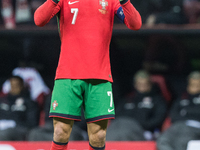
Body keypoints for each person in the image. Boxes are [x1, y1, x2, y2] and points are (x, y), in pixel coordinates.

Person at [34, 0, 142, 149]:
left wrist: (125, 2)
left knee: (98, 136)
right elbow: (39, 20)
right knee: (60, 132)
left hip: (100, 76)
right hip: (67, 75)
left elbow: (135, 24)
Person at [106, 70, 167, 141]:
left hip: (143, 132)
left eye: (145, 84)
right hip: (120, 130)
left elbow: (158, 118)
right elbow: (115, 116)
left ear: (150, 84)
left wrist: (142, 125)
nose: (142, 87)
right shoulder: (127, 100)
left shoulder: (157, 100)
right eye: (139, 84)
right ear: (135, 85)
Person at [157, 71, 200, 150]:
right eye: (192, 85)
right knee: (162, 140)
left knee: (181, 142)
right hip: (177, 125)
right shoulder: (182, 98)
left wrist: (186, 112)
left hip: (195, 126)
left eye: (198, 85)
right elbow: (173, 114)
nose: (195, 87)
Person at [0, 76, 39, 141]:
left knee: (4, 134)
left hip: (20, 129)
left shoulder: (29, 102)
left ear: (22, 86)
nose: (14, 88)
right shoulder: (2, 101)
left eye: (16, 85)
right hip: (1, 127)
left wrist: (13, 123)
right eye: (12, 85)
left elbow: (32, 124)